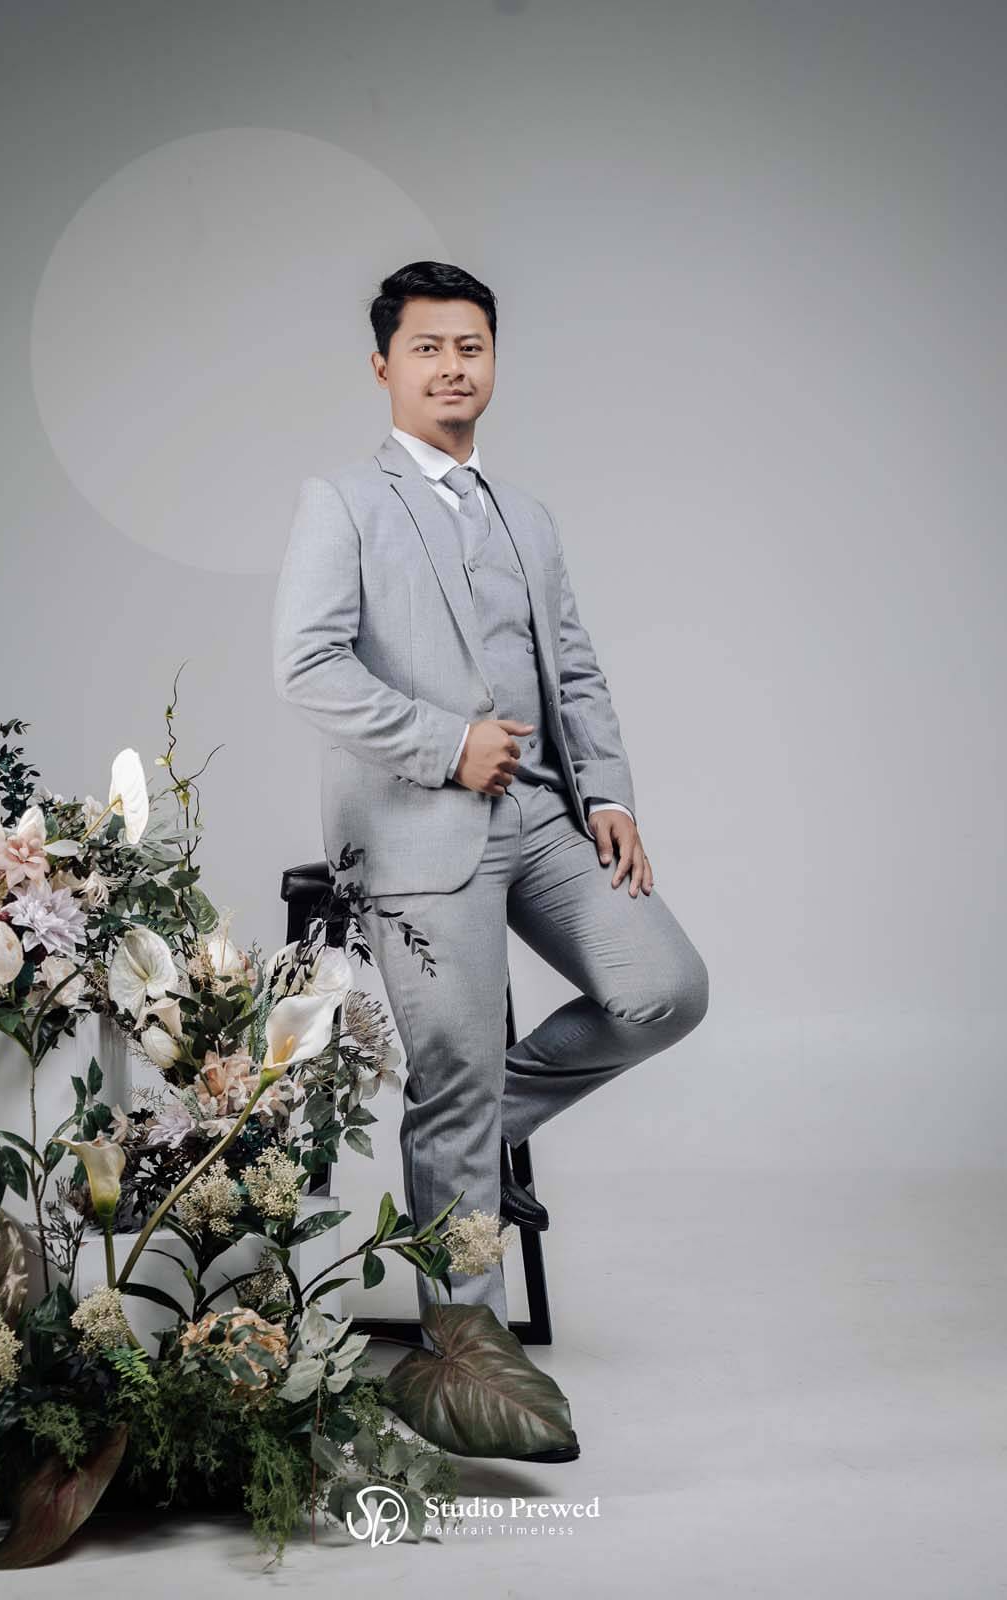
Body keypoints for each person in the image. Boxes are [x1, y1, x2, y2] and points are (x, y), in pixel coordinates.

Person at [272, 260, 709, 1405]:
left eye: (470, 346)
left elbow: (575, 667)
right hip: (414, 820)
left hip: (540, 814)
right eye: (427, 347)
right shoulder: (342, 501)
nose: (451, 366)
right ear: (383, 365)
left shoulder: (527, 515)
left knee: (662, 988)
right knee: (454, 1074)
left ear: (493, 362)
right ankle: (467, 1347)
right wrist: (442, 744)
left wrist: (607, 796)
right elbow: (306, 665)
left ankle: (454, 1144)